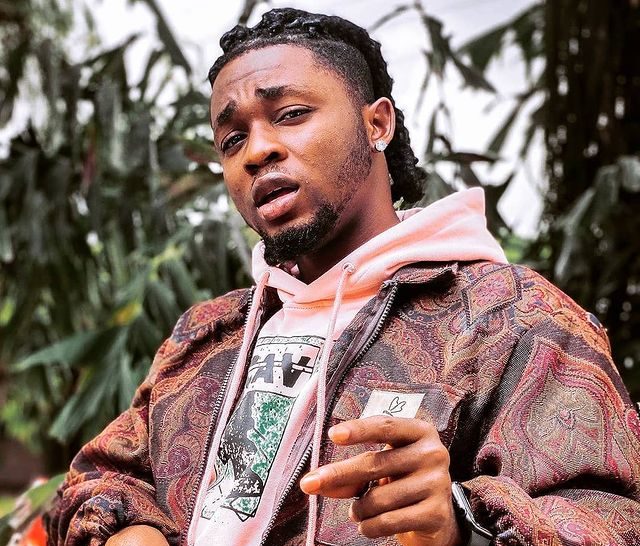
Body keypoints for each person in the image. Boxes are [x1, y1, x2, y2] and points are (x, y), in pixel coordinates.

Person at [46, 8, 640, 546]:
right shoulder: (206, 335)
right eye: (232, 139)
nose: (256, 151)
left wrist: (459, 524)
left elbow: (612, 517)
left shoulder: (511, 317)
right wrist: (130, 532)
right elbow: (102, 476)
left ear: (377, 124)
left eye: (291, 115)